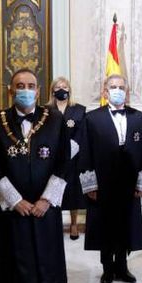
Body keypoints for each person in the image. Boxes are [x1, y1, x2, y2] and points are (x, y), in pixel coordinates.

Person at [0, 68, 70, 283]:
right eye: (19, 85)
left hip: (46, 208)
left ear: (38, 89)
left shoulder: (55, 120)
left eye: (30, 85)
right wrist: (15, 200)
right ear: (11, 90)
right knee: (14, 265)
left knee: (46, 262)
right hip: (14, 210)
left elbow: (64, 161)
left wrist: (46, 200)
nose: (25, 89)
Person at [79, 74, 142, 283]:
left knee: (125, 226)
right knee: (104, 226)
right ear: (105, 91)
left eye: (121, 87)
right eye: (113, 87)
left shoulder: (140, 118)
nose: (117, 90)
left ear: (127, 92)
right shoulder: (92, 118)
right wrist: (90, 184)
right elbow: (85, 152)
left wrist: (141, 182)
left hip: (128, 185)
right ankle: (107, 268)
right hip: (102, 184)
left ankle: (122, 266)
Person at [46, 77, 87, 240]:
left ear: (69, 89)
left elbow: (82, 132)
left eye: (64, 86)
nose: (61, 89)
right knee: (53, 190)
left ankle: (74, 224)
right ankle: (54, 224)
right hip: (52, 158)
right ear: (52, 90)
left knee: (72, 192)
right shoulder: (46, 110)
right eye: (58, 86)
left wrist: (69, 150)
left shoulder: (79, 109)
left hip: (73, 157)